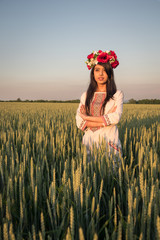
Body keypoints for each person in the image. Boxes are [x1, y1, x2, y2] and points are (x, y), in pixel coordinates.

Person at [76, 50, 124, 158]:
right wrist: (105, 119)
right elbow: (79, 123)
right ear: (93, 73)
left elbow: (115, 118)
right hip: (89, 142)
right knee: (89, 173)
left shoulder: (117, 95)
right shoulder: (85, 95)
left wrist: (86, 118)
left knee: (111, 173)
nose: (101, 74)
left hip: (109, 141)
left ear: (110, 73)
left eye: (105, 70)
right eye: (97, 70)